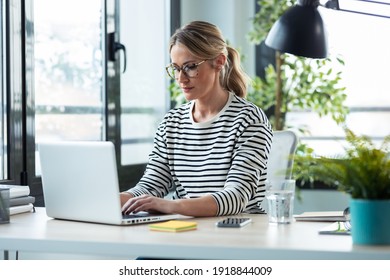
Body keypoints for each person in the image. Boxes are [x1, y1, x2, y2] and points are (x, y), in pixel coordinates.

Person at [120, 21, 272, 217]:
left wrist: (169, 205)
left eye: (190, 67)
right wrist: (111, 200)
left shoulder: (249, 120)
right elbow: (150, 187)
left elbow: (235, 197)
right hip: (187, 232)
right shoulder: (171, 124)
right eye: (175, 68)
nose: (181, 79)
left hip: (237, 234)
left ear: (218, 62)